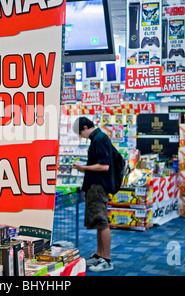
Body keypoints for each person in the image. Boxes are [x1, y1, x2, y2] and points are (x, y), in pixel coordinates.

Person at [72, 116, 114, 272]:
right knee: (98, 221)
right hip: (96, 185)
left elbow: (104, 166)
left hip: (98, 186)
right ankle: (99, 255)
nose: (80, 137)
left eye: (79, 133)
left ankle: (107, 259)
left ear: (84, 128)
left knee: (102, 222)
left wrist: (84, 168)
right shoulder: (98, 138)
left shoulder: (99, 139)